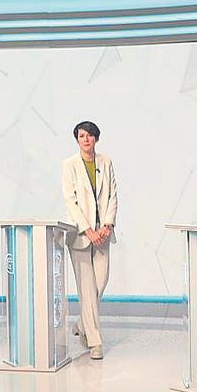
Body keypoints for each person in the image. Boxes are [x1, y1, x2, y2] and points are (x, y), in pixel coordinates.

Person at [62, 121, 118, 360]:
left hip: (103, 232)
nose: (86, 140)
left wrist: (107, 224)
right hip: (80, 236)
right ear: (76, 140)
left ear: (96, 138)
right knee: (86, 288)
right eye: (81, 136)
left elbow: (113, 194)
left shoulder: (106, 162)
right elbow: (70, 201)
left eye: (90, 136)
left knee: (100, 283)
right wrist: (87, 230)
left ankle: (83, 324)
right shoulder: (69, 165)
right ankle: (94, 341)